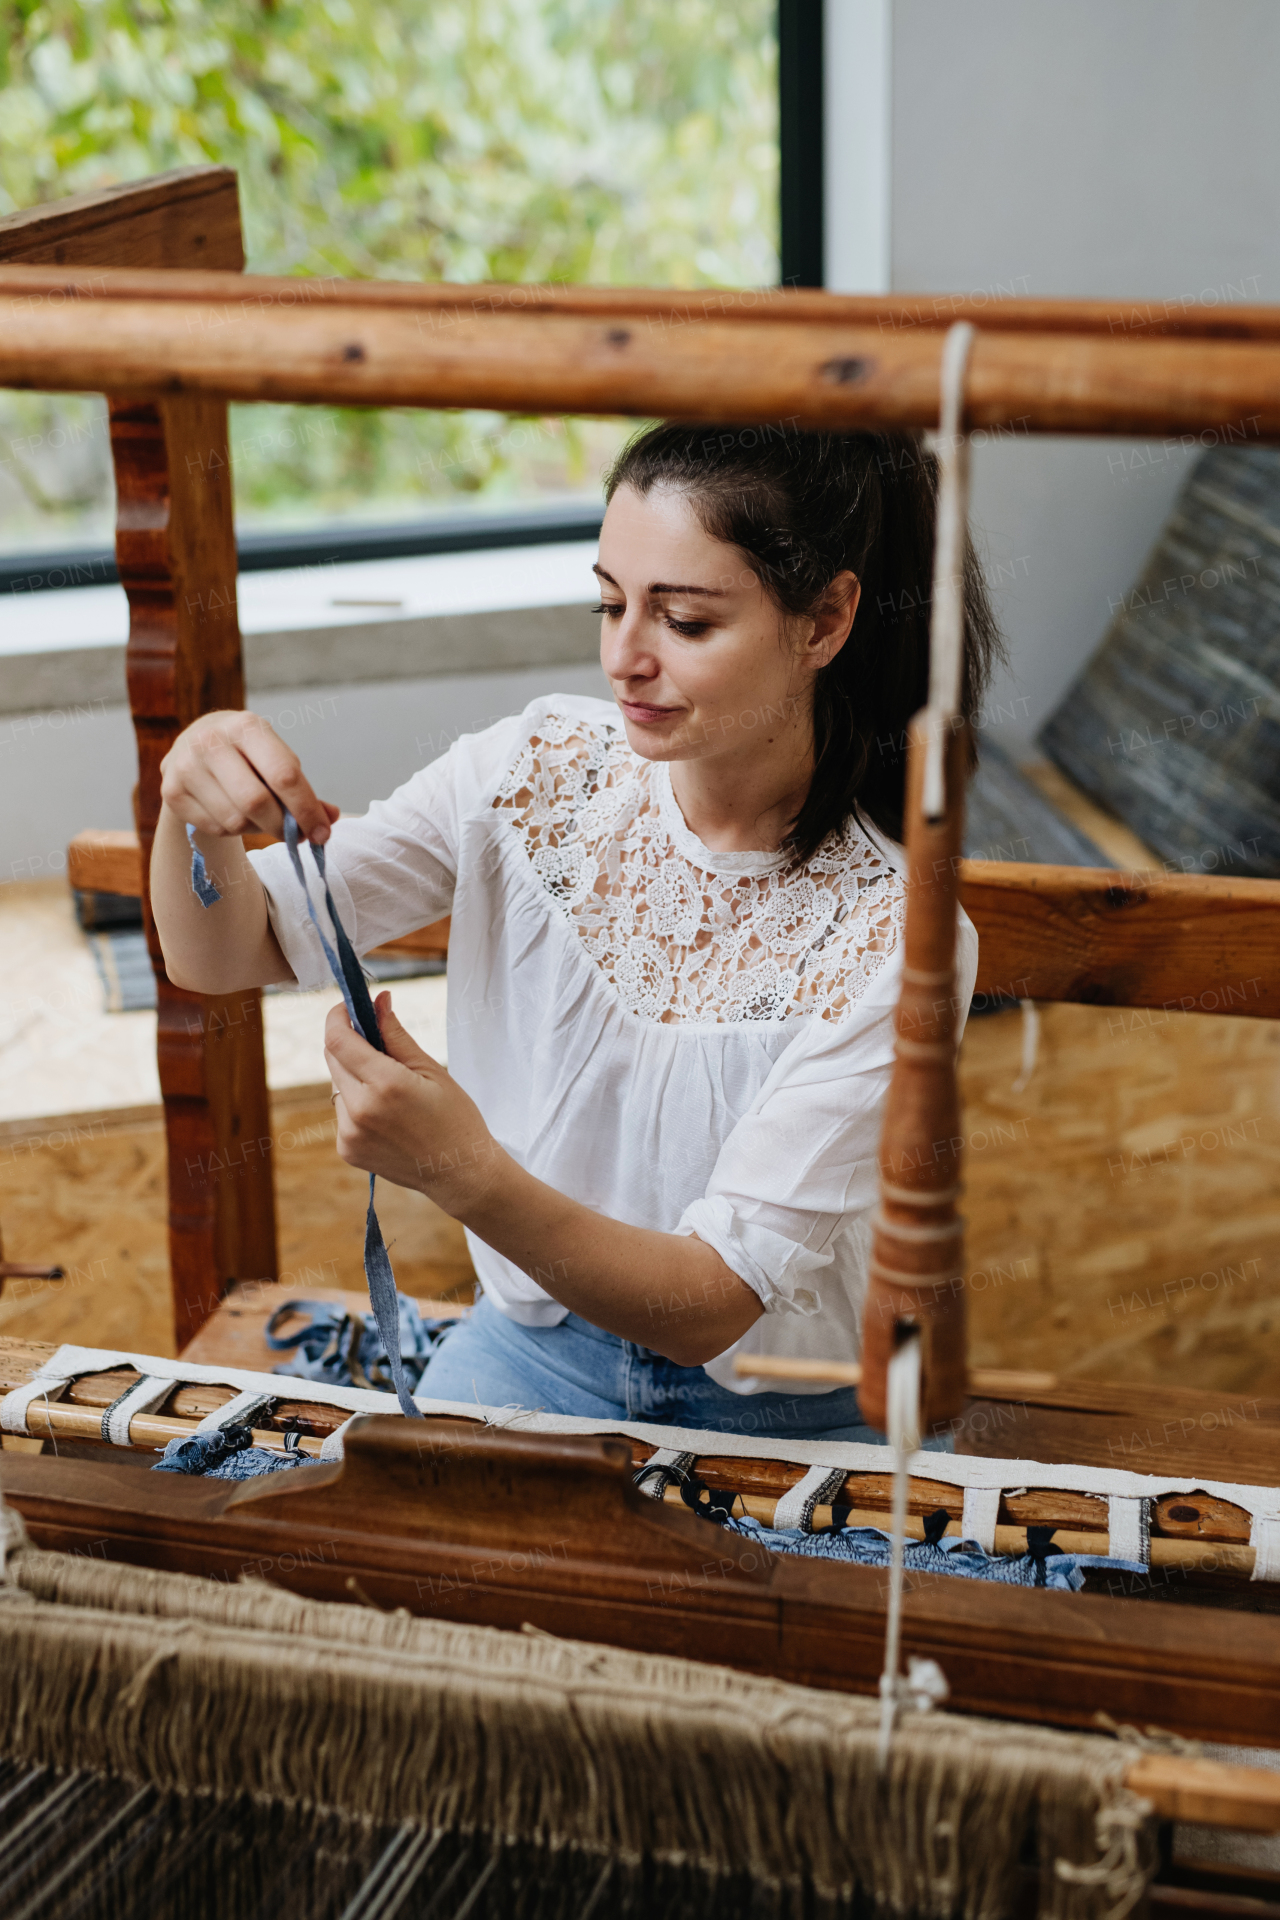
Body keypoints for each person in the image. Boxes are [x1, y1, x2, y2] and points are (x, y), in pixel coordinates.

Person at [152, 422, 999, 1445]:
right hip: (528, 1352)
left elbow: (709, 1304)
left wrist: (461, 1171)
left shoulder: (897, 939)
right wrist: (191, 810)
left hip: (802, 1413)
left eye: (682, 621)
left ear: (823, 620)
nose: (622, 658)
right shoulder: (532, 770)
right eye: (609, 601)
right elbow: (222, 951)